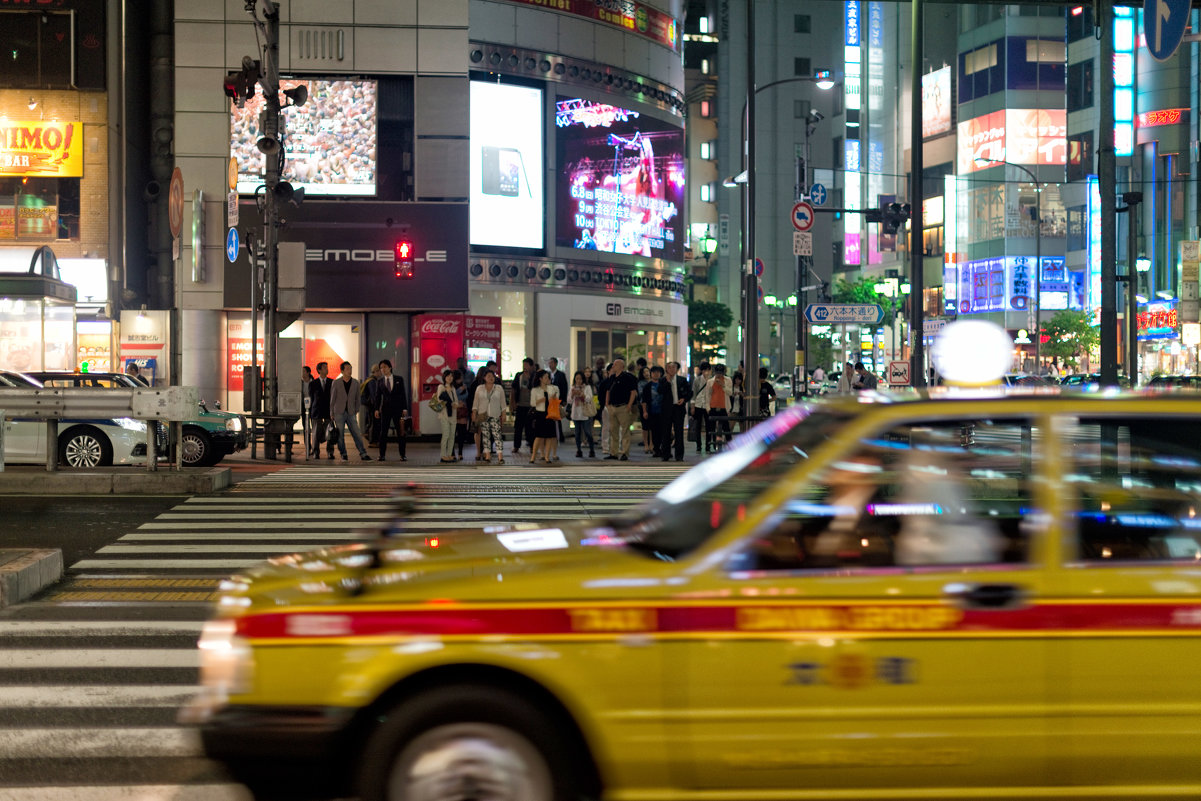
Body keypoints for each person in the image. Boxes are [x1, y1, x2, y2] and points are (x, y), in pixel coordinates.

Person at [327, 361, 372, 461]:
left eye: (350, 368)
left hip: (351, 412)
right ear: (342, 371)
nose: (349, 371)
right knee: (340, 435)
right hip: (339, 412)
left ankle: (363, 453)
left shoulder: (355, 382)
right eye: (347, 369)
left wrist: (356, 410)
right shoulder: (336, 382)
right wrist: (331, 412)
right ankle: (343, 454)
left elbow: (358, 398)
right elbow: (332, 398)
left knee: (357, 433)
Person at [371, 359, 409, 461]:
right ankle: (382, 455)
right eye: (381, 368)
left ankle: (403, 455)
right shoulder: (380, 381)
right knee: (383, 433)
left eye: (384, 367)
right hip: (385, 410)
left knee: (400, 432)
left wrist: (405, 408)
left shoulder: (399, 379)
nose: (382, 369)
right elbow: (377, 396)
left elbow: (403, 394)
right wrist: (376, 409)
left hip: (398, 409)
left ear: (390, 367)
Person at [605, 357, 639, 461]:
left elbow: (633, 392)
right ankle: (613, 453)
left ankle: (625, 452)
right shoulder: (612, 378)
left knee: (625, 431)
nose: (613, 366)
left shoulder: (627, 377)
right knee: (613, 431)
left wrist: (629, 405)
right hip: (613, 407)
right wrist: (607, 404)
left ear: (621, 366)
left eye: (615, 364)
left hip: (623, 407)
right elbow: (608, 391)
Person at [471, 369, 507, 464]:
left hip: (495, 414)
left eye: (492, 376)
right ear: (484, 378)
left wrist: (504, 413)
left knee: (497, 435)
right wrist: (474, 412)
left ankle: (500, 456)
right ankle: (487, 455)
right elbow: (476, 402)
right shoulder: (480, 388)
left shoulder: (499, 388)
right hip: (483, 415)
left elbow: (503, 402)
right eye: (489, 376)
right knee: (486, 436)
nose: (491, 378)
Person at [661, 361, 691, 462]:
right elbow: (660, 392)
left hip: (678, 409)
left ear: (677, 369)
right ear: (666, 369)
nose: (671, 369)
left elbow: (690, 393)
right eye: (669, 368)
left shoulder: (682, 380)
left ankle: (679, 455)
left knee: (679, 433)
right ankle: (665, 454)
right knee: (666, 433)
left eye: (674, 367)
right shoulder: (663, 380)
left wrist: (684, 399)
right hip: (667, 410)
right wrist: (667, 382)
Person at [529, 369, 560, 464]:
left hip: (550, 414)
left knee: (550, 436)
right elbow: (532, 403)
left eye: (548, 377)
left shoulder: (552, 388)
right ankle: (533, 456)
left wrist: (554, 397)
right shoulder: (535, 390)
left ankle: (547, 456)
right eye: (545, 377)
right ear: (540, 379)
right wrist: (540, 400)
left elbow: (557, 399)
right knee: (539, 436)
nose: (547, 379)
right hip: (540, 414)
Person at [510, 358, 536, 455]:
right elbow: (513, 389)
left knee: (530, 428)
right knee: (518, 427)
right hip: (520, 405)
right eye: (523, 365)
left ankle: (532, 446)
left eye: (526, 365)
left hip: (531, 406)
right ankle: (516, 446)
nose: (524, 367)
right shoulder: (518, 375)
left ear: (531, 366)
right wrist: (512, 403)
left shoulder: (534, 376)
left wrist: (529, 377)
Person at [568, 370, 596, 458]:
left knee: (588, 433)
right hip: (576, 413)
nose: (578, 381)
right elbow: (569, 401)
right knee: (577, 433)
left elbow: (589, 398)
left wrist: (581, 394)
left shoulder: (587, 387)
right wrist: (572, 395)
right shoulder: (572, 387)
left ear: (583, 379)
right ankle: (579, 450)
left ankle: (592, 450)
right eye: (577, 379)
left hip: (585, 413)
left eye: (580, 379)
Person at [640, 365, 667, 458]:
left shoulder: (664, 384)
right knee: (654, 431)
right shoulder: (647, 386)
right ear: (651, 374)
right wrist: (644, 411)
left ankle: (663, 449)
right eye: (654, 372)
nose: (656, 374)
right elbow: (644, 400)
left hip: (663, 412)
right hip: (652, 411)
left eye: (658, 372)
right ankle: (656, 449)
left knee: (664, 431)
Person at [308, 361, 333, 459]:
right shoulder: (313, 383)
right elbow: (311, 398)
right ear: (319, 370)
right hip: (316, 412)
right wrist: (310, 413)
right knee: (315, 433)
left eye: (327, 367)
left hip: (328, 412)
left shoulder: (332, 382)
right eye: (325, 367)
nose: (327, 369)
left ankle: (330, 452)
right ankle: (316, 452)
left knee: (330, 433)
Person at [706, 363, 733, 451]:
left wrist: (722, 385)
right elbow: (708, 395)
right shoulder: (710, 381)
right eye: (717, 372)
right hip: (713, 406)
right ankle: (710, 446)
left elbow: (730, 393)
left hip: (724, 406)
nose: (719, 374)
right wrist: (708, 408)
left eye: (721, 373)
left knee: (726, 428)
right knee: (711, 427)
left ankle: (730, 445)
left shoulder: (728, 380)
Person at [435, 369, 459, 463]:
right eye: (448, 376)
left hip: (453, 415)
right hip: (444, 415)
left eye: (451, 376)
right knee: (446, 434)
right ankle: (443, 455)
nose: (450, 378)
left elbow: (456, 400)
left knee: (452, 435)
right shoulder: (441, 387)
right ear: (444, 377)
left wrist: (455, 404)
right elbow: (439, 400)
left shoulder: (453, 388)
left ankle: (449, 454)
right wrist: (447, 399)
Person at [547, 357, 569, 443]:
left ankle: (559, 436)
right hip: (549, 400)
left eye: (551, 363)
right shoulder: (548, 374)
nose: (550, 365)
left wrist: (563, 399)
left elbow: (564, 387)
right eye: (549, 363)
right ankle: (552, 435)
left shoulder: (560, 375)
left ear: (556, 364)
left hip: (557, 400)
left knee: (557, 418)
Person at [691, 362, 711, 453]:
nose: (706, 372)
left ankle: (708, 445)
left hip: (708, 406)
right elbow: (694, 394)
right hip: (698, 405)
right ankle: (698, 446)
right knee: (697, 426)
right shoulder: (697, 380)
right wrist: (692, 406)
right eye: (704, 370)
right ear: (701, 371)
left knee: (709, 427)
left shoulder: (712, 380)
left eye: (708, 370)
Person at [359, 364, 381, 445]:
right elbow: (373, 395)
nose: (381, 372)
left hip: (367, 404)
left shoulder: (369, 380)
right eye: (380, 370)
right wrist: (377, 407)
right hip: (371, 405)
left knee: (370, 421)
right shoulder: (372, 381)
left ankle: (369, 435)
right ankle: (373, 441)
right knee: (373, 422)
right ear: (376, 371)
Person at [597, 363, 615, 455]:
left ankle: (616, 446)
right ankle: (605, 447)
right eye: (612, 369)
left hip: (617, 406)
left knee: (617, 428)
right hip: (606, 407)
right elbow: (600, 396)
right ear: (608, 371)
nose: (614, 370)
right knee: (606, 427)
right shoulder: (604, 382)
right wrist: (604, 405)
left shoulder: (619, 380)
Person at [452, 369, 469, 461]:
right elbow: (452, 396)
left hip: (463, 411)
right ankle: (452, 453)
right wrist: (460, 390)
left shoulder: (464, 386)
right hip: (454, 411)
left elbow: (466, 395)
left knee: (461, 433)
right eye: (460, 377)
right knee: (453, 433)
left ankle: (460, 452)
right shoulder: (452, 387)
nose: (461, 379)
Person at [637, 366, 653, 453]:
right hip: (643, 405)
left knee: (652, 426)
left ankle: (651, 444)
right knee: (645, 426)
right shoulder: (641, 383)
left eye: (648, 371)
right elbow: (641, 394)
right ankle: (646, 444)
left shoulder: (653, 381)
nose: (647, 373)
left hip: (653, 405)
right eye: (644, 372)